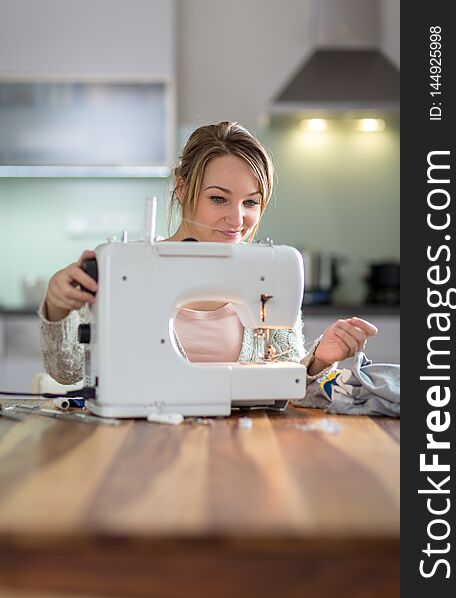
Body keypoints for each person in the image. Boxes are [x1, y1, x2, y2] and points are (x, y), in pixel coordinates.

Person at [39, 121, 378, 397]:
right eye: (219, 199)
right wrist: (58, 308)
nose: (237, 219)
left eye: (250, 202)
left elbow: (288, 384)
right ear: (183, 189)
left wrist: (319, 360)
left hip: (239, 450)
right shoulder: (127, 268)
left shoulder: (265, 274)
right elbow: (67, 372)